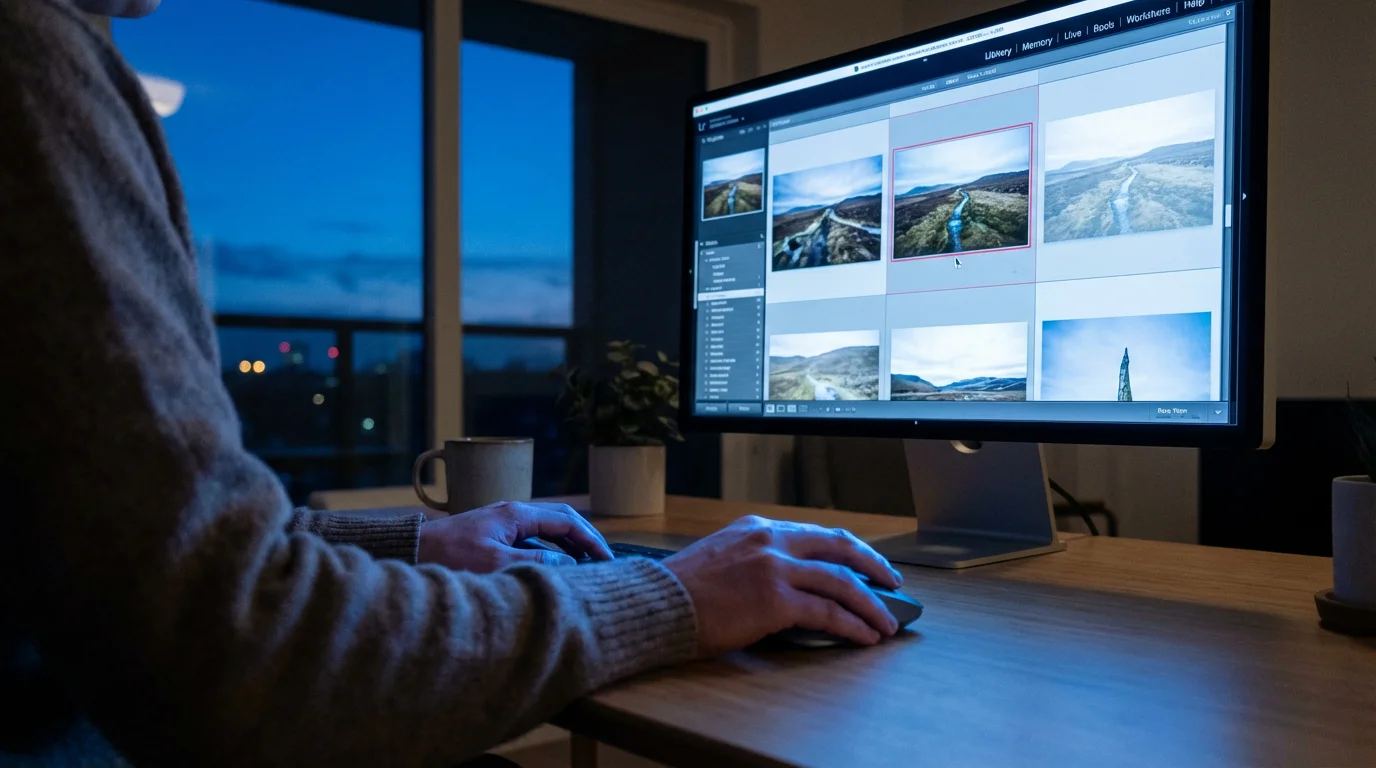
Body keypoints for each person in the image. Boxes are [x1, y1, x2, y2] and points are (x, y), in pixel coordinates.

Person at [0, 0, 905, 765]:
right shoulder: (27, 54)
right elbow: (229, 645)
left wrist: (420, 545)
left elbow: (124, 554)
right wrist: (671, 598)